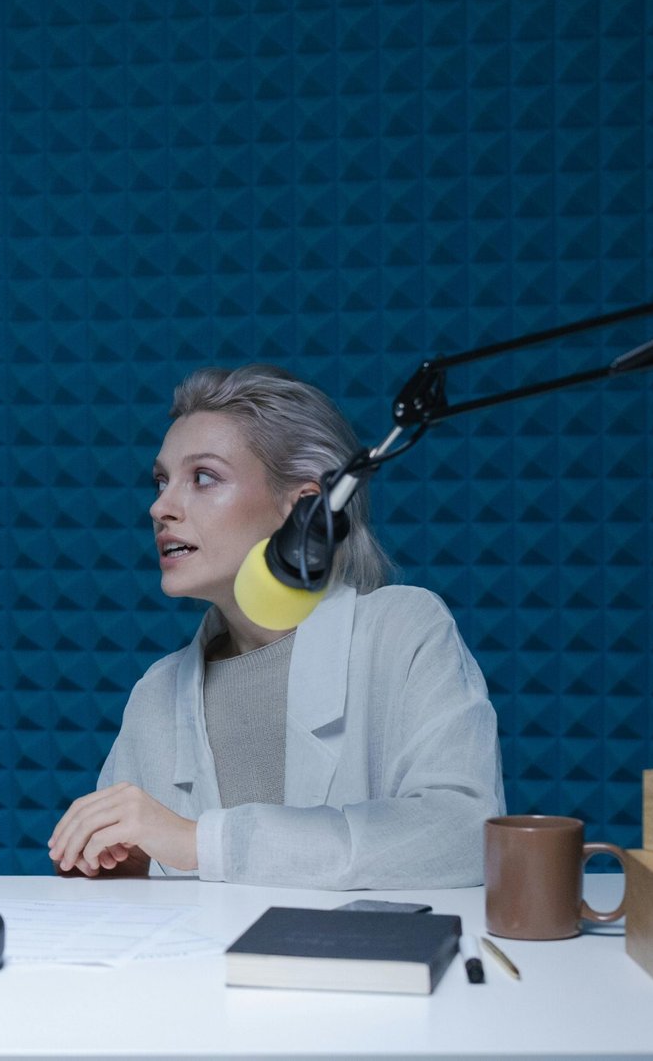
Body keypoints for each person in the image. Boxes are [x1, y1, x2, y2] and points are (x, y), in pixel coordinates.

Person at [48, 364, 504, 889]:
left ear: (305, 508)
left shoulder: (403, 633)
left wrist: (201, 843)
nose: (160, 507)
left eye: (203, 477)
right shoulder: (156, 693)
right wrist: (122, 870)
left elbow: (466, 836)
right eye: (161, 481)